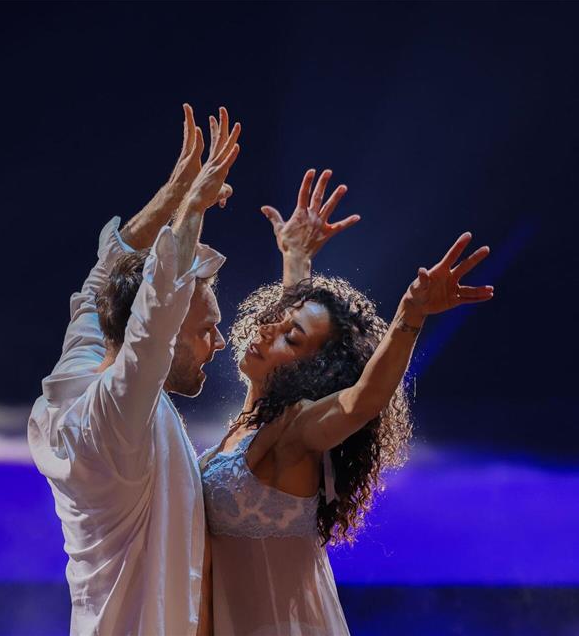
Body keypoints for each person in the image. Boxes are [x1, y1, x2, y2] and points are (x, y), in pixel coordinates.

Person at [199, 169, 494, 635]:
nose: (268, 329)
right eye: (275, 318)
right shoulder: (256, 416)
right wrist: (295, 258)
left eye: (289, 338)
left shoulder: (293, 432)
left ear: (309, 377)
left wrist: (409, 315)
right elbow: (297, 325)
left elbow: (361, 402)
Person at [27, 104, 239, 635]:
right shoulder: (111, 423)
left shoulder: (82, 372)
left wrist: (173, 193)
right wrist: (191, 210)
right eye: (203, 329)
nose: (219, 341)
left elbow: (104, 279)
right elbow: (155, 319)